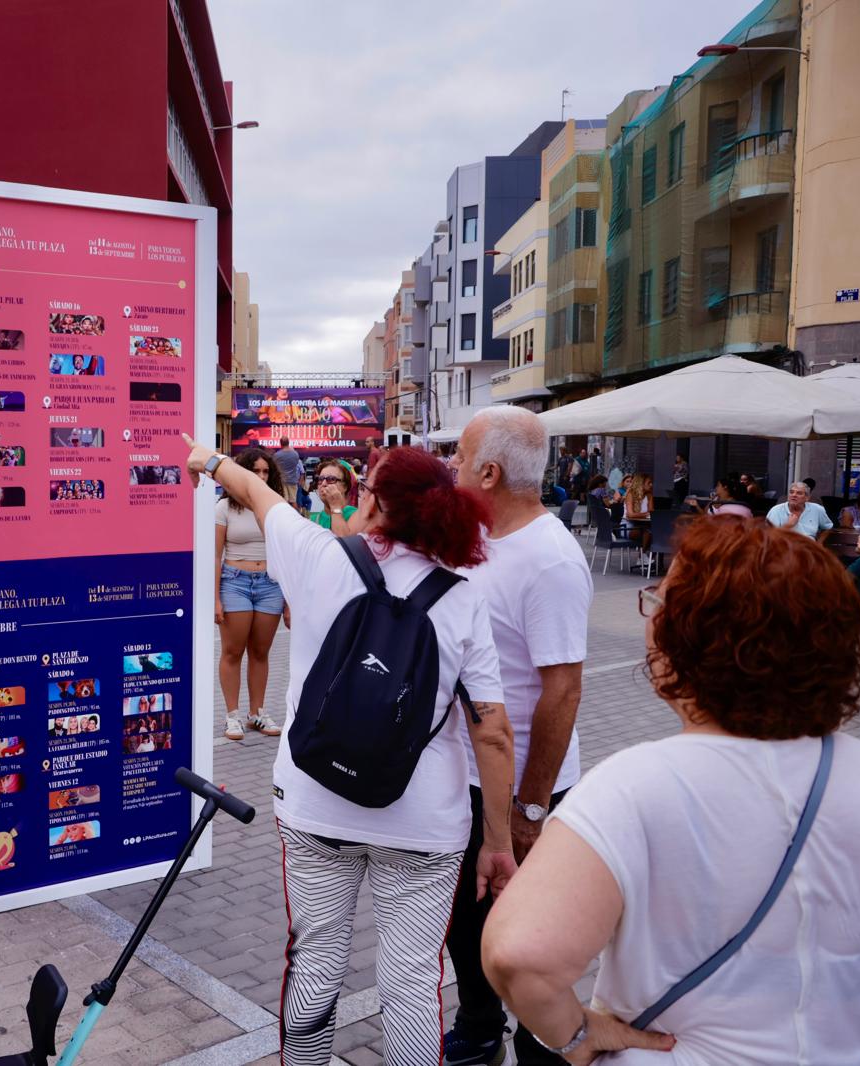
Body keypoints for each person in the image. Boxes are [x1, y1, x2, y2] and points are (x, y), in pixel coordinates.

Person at [482, 518, 860, 1065]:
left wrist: (577, 1036)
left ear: (686, 640)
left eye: (659, 605)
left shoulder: (633, 790)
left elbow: (520, 956)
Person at [186, 435, 516, 1066]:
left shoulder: (319, 557)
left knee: (315, 957)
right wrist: (498, 842)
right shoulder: (463, 597)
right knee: (412, 982)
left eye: (366, 487)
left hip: (314, 807)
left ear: (379, 506)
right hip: (424, 827)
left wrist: (206, 461)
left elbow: (255, 491)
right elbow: (492, 731)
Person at [444, 406, 594, 1066]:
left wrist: (531, 809)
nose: (450, 467)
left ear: (489, 471)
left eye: (459, 457)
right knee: (466, 928)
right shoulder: (477, 539)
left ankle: (538, 1048)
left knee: (526, 942)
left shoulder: (550, 560)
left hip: (521, 791)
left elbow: (563, 691)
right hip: (466, 779)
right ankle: (478, 1032)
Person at [213, 448, 287, 742]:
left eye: (266, 472)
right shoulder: (224, 508)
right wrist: (215, 598)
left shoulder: (276, 506)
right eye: (255, 471)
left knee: (261, 652)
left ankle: (257, 712)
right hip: (235, 582)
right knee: (233, 651)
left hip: (270, 583)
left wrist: (290, 601)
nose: (261, 477)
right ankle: (232, 715)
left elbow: (287, 555)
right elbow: (214, 555)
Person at [766, 481, 833, 543]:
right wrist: (788, 526)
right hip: (785, 550)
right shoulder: (776, 510)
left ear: (807, 497)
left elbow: (827, 527)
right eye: (791, 492)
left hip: (809, 550)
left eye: (799, 493)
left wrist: (819, 544)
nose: (794, 495)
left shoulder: (817, 509)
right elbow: (768, 536)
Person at [307, 458, 357, 536]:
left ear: (345, 486)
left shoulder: (355, 515)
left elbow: (344, 545)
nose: (323, 483)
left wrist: (335, 507)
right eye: (320, 479)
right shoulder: (313, 520)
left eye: (331, 479)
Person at [623, 473, 653, 554]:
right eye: (649, 483)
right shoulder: (631, 494)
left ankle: (651, 559)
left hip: (643, 525)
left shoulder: (649, 495)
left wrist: (647, 514)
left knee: (656, 533)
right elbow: (630, 515)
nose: (651, 485)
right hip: (627, 527)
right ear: (641, 484)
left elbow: (651, 512)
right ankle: (642, 557)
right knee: (647, 532)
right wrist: (646, 514)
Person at [273, 437, 303, 509]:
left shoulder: (277, 455)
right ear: (288, 442)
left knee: (284, 501)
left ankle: (285, 517)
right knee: (293, 501)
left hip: (281, 481)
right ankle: (295, 517)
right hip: (293, 480)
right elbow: (296, 464)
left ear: (280, 443)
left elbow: (274, 467)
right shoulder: (295, 454)